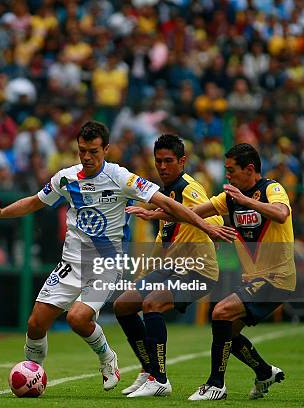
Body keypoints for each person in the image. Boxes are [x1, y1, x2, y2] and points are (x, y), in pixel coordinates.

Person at [0, 121, 235, 391]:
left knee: (77, 319)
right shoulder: (66, 178)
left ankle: (108, 359)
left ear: (106, 150)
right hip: (71, 263)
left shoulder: (121, 177)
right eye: (82, 151)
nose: (87, 157)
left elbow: (167, 203)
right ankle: (34, 374)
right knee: (35, 324)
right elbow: (34, 201)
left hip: (106, 265)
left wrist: (206, 226)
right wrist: (2, 213)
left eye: (93, 151)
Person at [128, 143, 295, 400]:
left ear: (249, 169)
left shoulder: (271, 189)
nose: (227, 176)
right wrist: (154, 214)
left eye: (231, 171)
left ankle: (216, 384)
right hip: (254, 278)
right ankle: (263, 372)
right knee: (228, 329)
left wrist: (246, 200)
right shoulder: (229, 197)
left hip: (277, 277)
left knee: (221, 312)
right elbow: (193, 213)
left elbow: (282, 214)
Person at [113, 134, 224, 397]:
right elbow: (163, 242)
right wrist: (141, 276)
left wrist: (211, 232)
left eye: (168, 161)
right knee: (123, 305)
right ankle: (148, 368)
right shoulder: (164, 193)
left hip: (198, 270)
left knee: (152, 303)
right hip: (170, 270)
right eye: (158, 161)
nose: (162, 166)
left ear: (182, 161)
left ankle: (159, 379)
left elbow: (215, 218)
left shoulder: (188, 188)